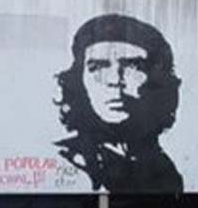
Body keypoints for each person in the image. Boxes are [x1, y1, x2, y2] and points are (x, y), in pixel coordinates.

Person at [53, 13, 185, 193]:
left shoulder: (164, 168)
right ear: (79, 80)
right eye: (97, 67)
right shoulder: (68, 160)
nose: (114, 80)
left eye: (133, 66)